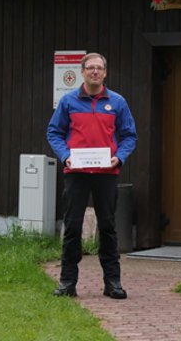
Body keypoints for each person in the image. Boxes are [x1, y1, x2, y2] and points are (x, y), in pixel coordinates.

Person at [47, 53, 137, 300]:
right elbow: (54, 132)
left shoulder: (117, 102)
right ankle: (67, 282)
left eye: (99, 68)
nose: (95, 72)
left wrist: (120, 157)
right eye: (90, 68)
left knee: (108, 227)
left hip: (106, 174)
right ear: (82, 71)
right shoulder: (68, 102)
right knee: (72, 228)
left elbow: (130, 136)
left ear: (105, 73)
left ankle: (113, 283)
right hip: (76, 174)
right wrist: (65, 155)